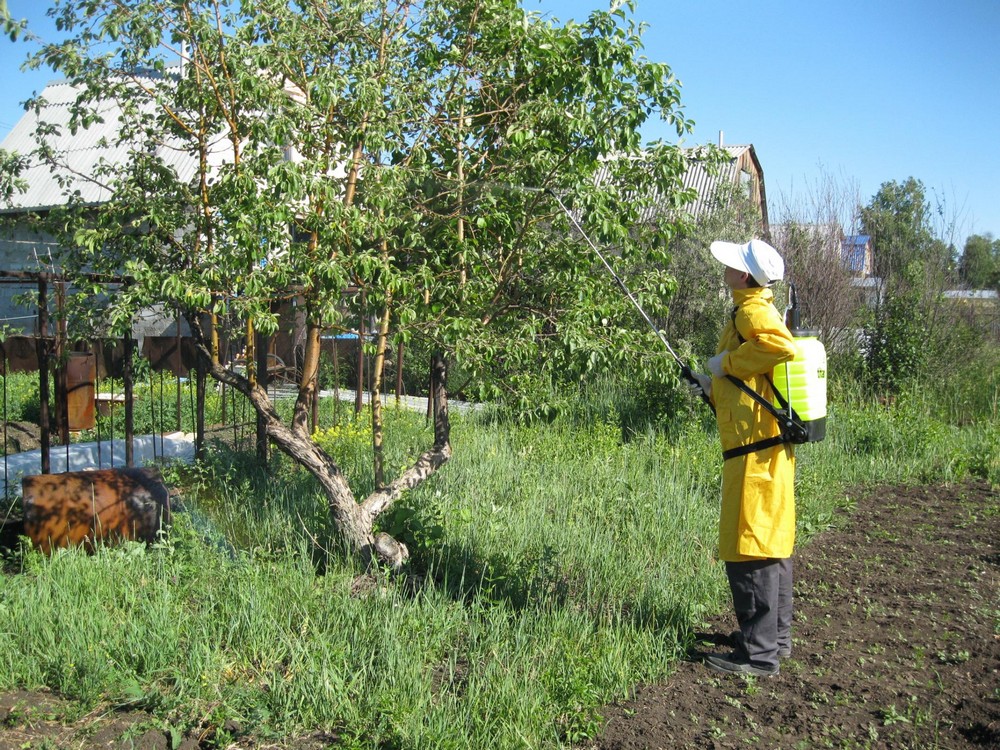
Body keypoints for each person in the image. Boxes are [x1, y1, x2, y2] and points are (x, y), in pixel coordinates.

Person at [688, 238, 798, 677]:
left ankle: (759, 656)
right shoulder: (746, 309)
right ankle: (773, 641)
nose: (726, 269)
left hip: (756, 456)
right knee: (770, 546)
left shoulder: (753, 310)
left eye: (733, 266)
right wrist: (709, 382)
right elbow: (753, 388)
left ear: (746, 276)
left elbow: (780, 346)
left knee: (746, 549)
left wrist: (726, 364)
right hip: (762, 450)